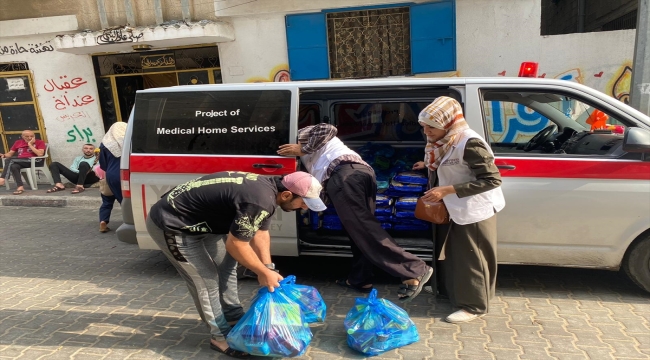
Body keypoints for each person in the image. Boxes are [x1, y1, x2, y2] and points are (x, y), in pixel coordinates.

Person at [146, 170, 326, 358]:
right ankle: (219, 336)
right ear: (287, 194)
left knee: (227, 267)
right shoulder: (259, 199)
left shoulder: (269, 194)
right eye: (303, 203)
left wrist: (268, 268)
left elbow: (261, 233)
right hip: (173, 224)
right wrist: (260, 271)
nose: (304, 208)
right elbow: (237, 244)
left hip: (203, 223)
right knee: (207, 280)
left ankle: (232, 316)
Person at [278, 124, 433, 302]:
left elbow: (329, 128)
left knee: (363, 229)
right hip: (356, 174)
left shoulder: (298, 135)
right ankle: (360, 279)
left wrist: (302, 148)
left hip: (345, 175)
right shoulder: (306, 154)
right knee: (358, 230)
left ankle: (415, 269)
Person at [412, 96, 505, 323]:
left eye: (431, 127)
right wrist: (427, 165)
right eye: (423, 126)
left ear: (447, 123)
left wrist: (447, 190)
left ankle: (474, 306)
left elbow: (492, 180)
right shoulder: (442, 141)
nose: (426, 131)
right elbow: (450, 162)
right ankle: (451, 293)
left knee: (472, 257)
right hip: (453, 209)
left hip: (473, 209)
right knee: (451, 254)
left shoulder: (469, 142)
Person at [98, 122, 127, 233]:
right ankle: (130, 222)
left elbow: (103, 165)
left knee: (109, 200)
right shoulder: (128, 142)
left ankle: (103, 221)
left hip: (111, 175)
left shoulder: (105, 143)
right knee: (126, 200)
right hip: (126, 174)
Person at [0, 130, 46, 194]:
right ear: (22, 136)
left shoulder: (39, 142)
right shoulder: (18, 142)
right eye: (27, 136)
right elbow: (10, 154)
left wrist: (30, 145)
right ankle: (20, 186)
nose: (29, 138)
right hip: (22, 161)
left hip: (35, 161)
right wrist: (4, 155)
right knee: (14, 166)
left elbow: (40, 154)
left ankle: (2, 178)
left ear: (34, 136)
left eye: (32, 136)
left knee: (10, 160)